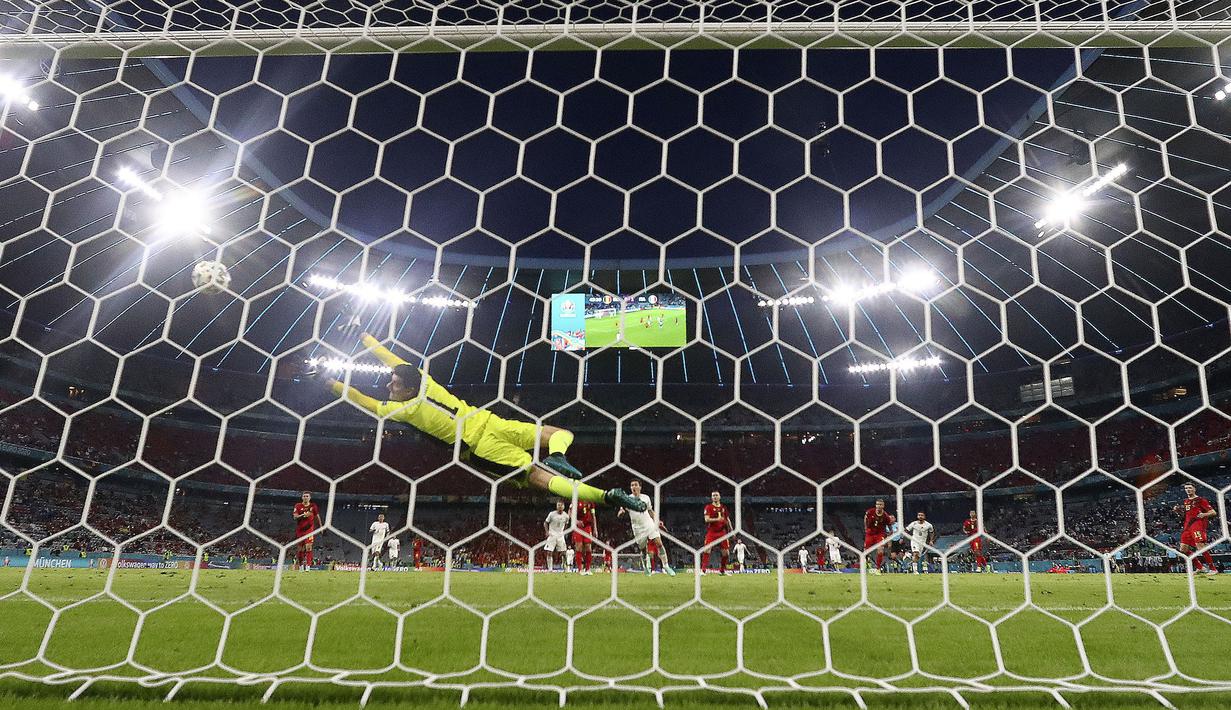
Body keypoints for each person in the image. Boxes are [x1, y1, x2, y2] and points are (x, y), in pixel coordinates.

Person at [310, 333, 645, 512]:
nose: (388, 385)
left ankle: (605, 496)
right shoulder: (425, 380)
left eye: (394, 384)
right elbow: (393, 360)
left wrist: (332, 384)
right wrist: (366, 338)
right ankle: (560, 456)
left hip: (480, 446)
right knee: (559, 433)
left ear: (409, 388)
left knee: (539, 478)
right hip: (490, 420)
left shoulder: (403, 411)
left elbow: (364, 401)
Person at [617, 480, 675, 576]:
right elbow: (621, 510)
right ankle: (646, 566)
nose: (633, 487)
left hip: (649, 524)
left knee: (659, 543)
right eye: (632, 485)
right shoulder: (627, 499)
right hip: (637, 528)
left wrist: (657, 521)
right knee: (643, 549)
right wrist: (621, 513)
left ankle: (666, 566)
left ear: (640, 487)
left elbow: (650, 511)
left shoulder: (646, 498)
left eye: (635, 485)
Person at [1176, 482, 1218, 577]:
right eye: (1186, 488)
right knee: (1183, 549)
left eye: (1190, 488)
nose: (1188, 490)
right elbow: (1187, 514)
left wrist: (1204, 514)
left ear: (1194, 489)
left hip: (1197, 526)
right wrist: (1178, 511)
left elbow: (1213, 512)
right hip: (1187, 527)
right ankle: (1200, 567)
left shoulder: (1201, 500)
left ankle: (1213, 569)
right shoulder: (1186, 501)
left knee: (1201, 547)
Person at [700, 490, 732, 574]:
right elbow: (706, 519)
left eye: (716, 495)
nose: (715, 497)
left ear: (719, 497)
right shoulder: (708, 507)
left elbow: (727, 519)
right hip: (712, 532)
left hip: (722, 532)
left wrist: (731, 529)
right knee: (707, 550)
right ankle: (703, 570)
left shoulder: (723, 507)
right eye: (713, 495)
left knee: (726, 553)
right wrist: (717, 519)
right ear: (711, 498)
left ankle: (722, 571)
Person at [292, 491, 322, 571]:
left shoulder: (313, 506)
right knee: (300, 549)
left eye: (307, 496)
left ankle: (308, 566)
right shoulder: (298, 506)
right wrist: (303, 515)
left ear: (310, 498)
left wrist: (321, 527)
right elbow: (295, 517)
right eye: (304, 496)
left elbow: (317, 516)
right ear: (302, 497)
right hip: (300, 530)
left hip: (309, 530)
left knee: (308, 547)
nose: (305, 497)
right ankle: (301, 566)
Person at [864, 499, 894, 575]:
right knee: (866, 550)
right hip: (870, 533)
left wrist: (891, 531)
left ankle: (878, 568)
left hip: (880, 534)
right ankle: (866, 562)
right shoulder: (870, 512)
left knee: (880, 550)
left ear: (883, 506)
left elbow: (889, 524)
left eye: (880, 505)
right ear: (875, 505)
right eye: (877, 504)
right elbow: (865, 518)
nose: (879, 506)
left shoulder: (885, 516)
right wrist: (866, 528)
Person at [572, 499, 598, 576]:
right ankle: (580, 569)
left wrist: (595, 529)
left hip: (587, 527)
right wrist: (576, 521)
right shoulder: (576, 500)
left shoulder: (591, 502)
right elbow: (570, 512)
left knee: (588, 548)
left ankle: (588, 569)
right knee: (579, 547)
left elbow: (593, 515)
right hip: (578, 527)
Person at [543, 500, 570, 571]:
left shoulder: (566, 516)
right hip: (552, 535)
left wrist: (563, 532)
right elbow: (545, 523)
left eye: (561, 505)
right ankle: (550, 569)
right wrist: (547, 532)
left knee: (564, 552)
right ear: (556, 506)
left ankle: (565, 567)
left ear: (563, 507)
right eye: (558, 505)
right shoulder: (552, 514)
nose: (560, 507)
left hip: (560, 535)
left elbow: (566, 524)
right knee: (549, 552)